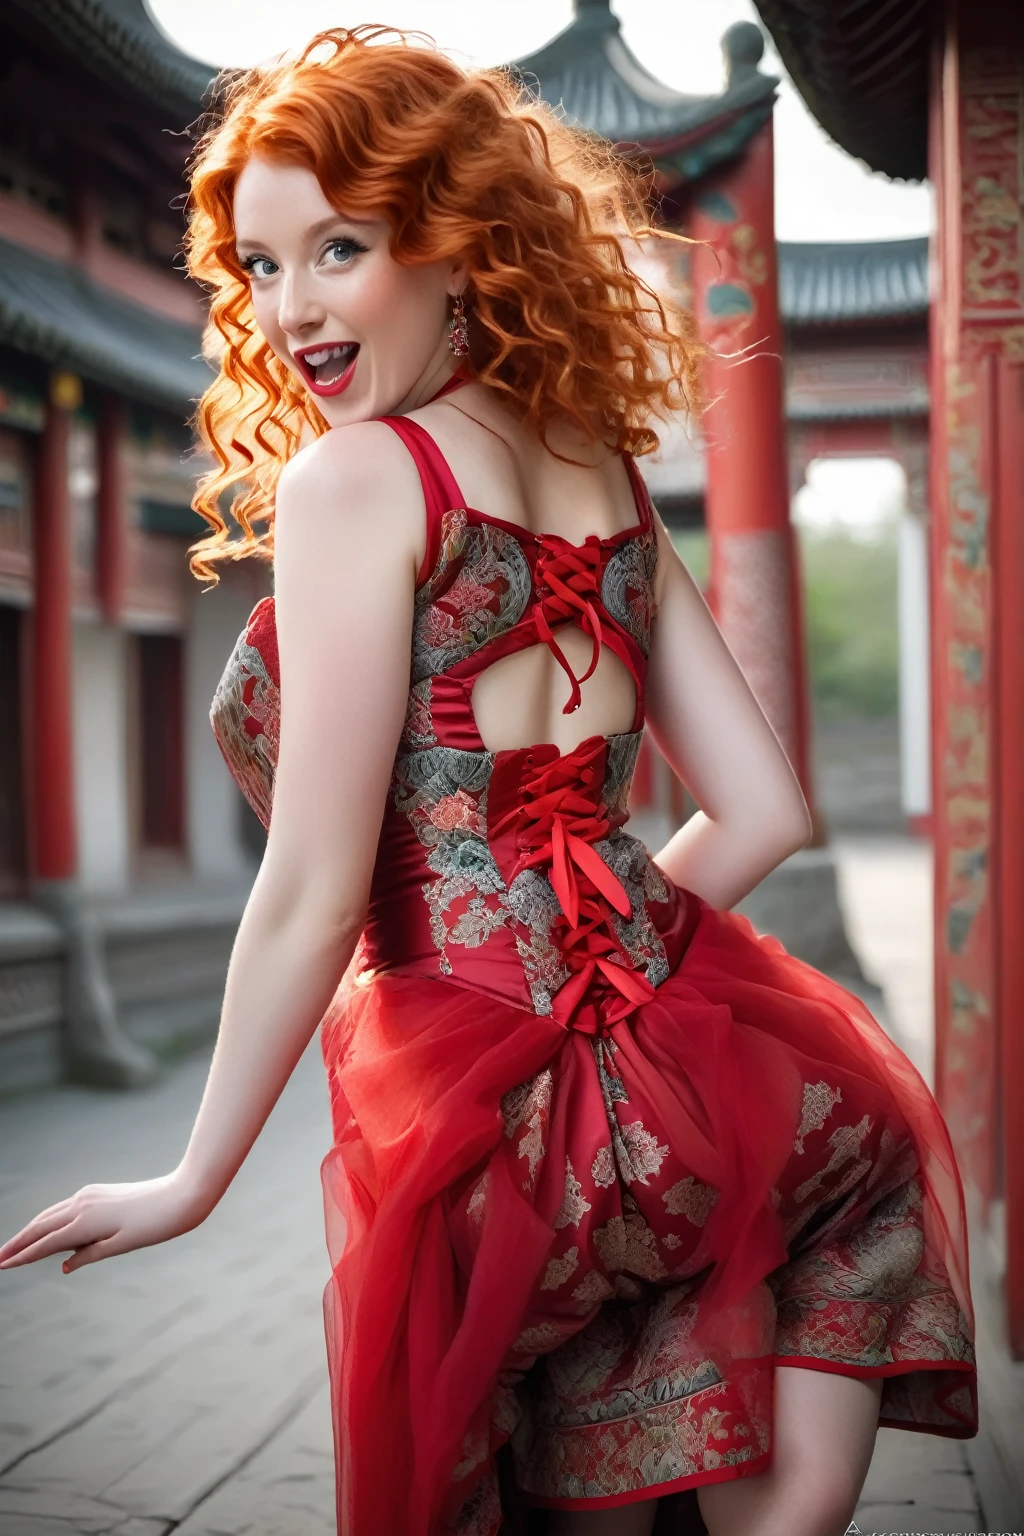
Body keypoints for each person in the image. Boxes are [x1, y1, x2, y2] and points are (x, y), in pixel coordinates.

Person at [0, 26, 976, 1536]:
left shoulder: (355, 481)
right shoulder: (600, 465)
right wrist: (616, 969)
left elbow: (319, 884)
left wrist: (194, 1176)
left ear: (455, 248)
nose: (292, 307)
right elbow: (768, 810)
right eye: (258, 266)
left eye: (339, 247)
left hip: (490, 1136)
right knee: (769, 1439)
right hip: (715, 1086)